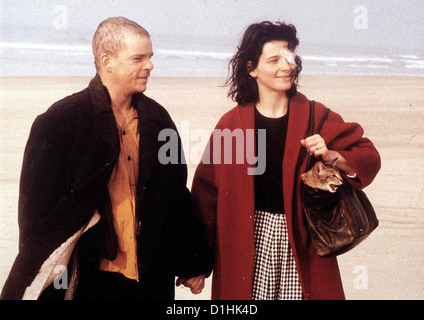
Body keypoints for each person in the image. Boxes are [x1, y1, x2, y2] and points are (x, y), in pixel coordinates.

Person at [0, 17, 207, 300]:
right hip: (90, 279)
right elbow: (35, 218)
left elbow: (176, 194)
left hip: (150, 277)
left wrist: (193, 259)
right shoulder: (59, 122)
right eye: (139, 58)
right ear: (107, 61)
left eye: (150, 57)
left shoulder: (159, 120)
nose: (150, 65)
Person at [191, 21, 381, 300]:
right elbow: (206, 196)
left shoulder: (316, 115)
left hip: (303, 244)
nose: (287, 65)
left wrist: (331, 155)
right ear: (251, 68)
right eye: (274, 59)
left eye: (290, 56)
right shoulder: (231, 125)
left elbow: (368, 156)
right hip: (246, 243)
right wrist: (197, 263)